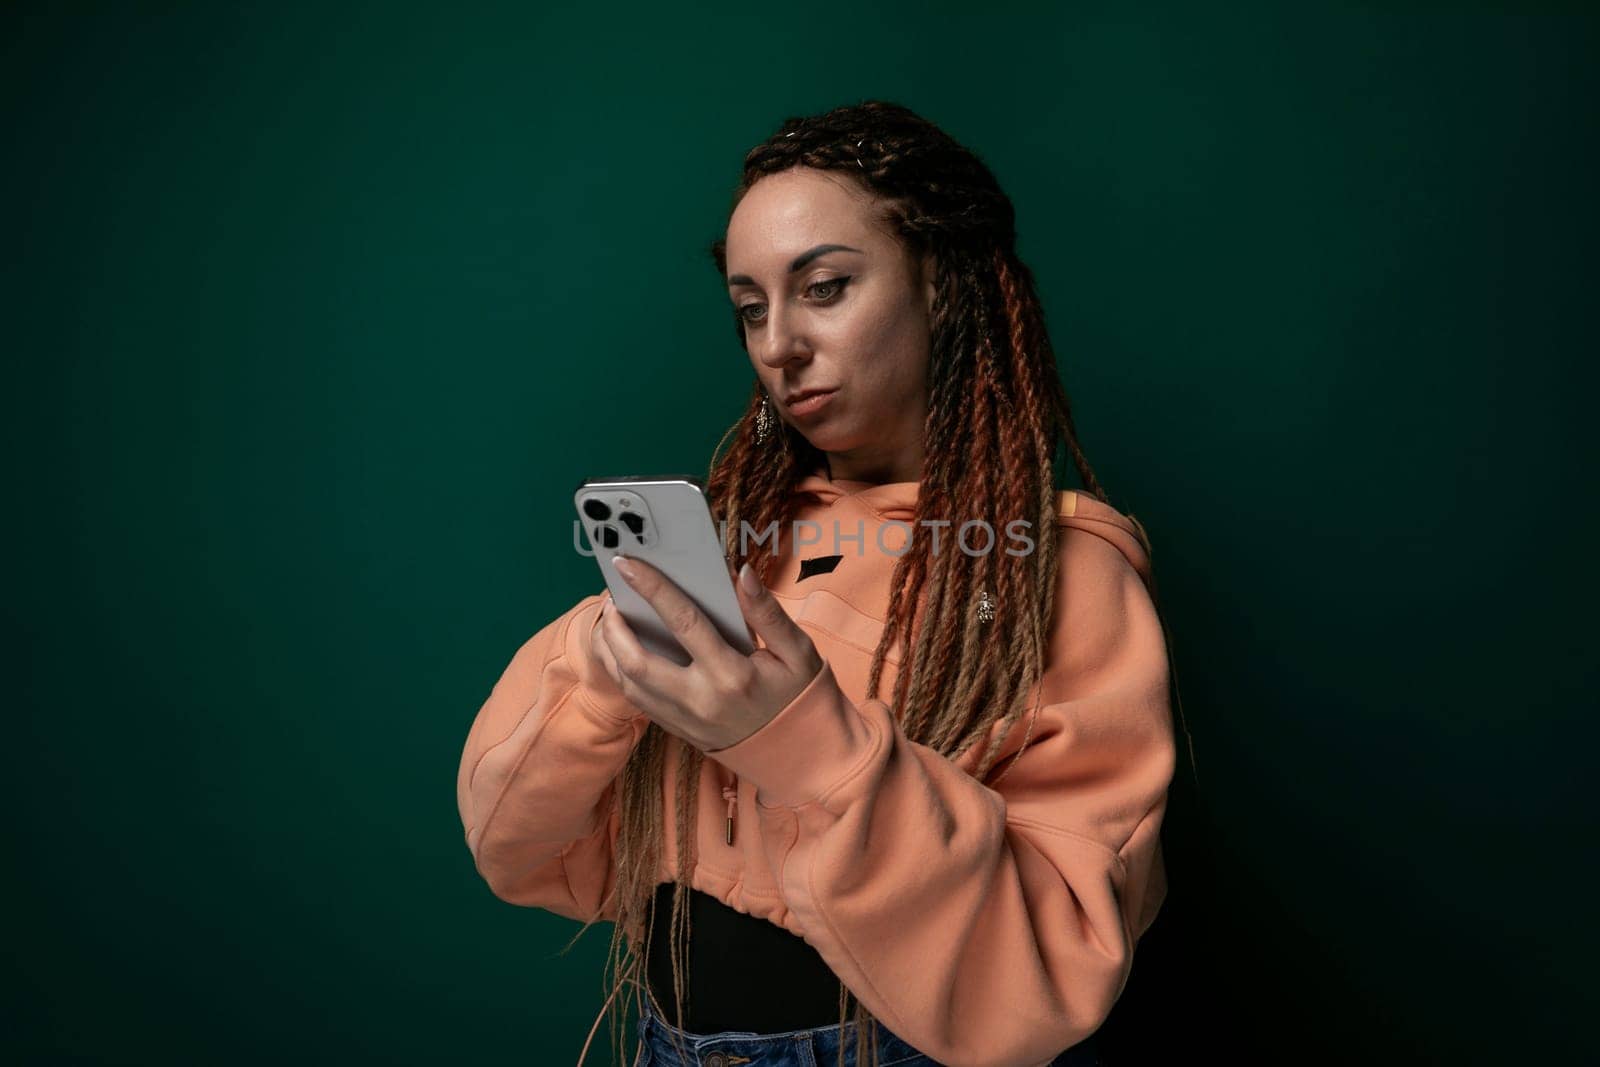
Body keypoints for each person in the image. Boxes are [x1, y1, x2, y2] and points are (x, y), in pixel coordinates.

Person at [455, 99, 1185, 1067]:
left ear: (943, 285)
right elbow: (524, 852)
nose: (776, 344)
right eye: (750, 307)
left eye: (825, 287)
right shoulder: (736, 548)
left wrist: (800, 736)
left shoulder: (1056, 573)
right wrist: (602, 664)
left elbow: (1050, 971)